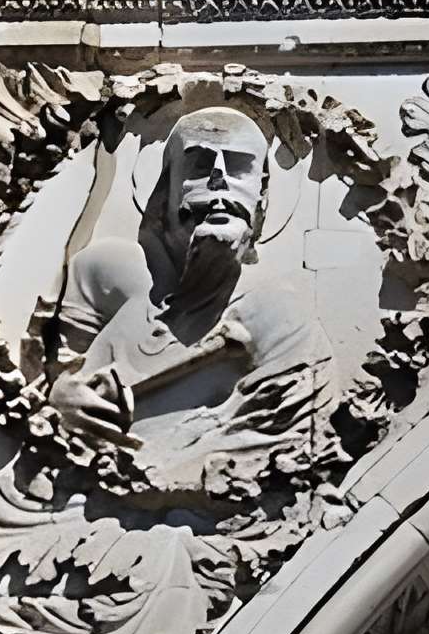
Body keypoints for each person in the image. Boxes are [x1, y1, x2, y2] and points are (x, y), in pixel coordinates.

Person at [49, 106, 335, 496]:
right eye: (200, 164)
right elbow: (57, 370)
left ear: (262, 195)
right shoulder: (105, 272)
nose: (219, 180)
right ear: (167, 190)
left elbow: (282, 442)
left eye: (238, 168)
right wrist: (62, 398)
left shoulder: (277, 316)